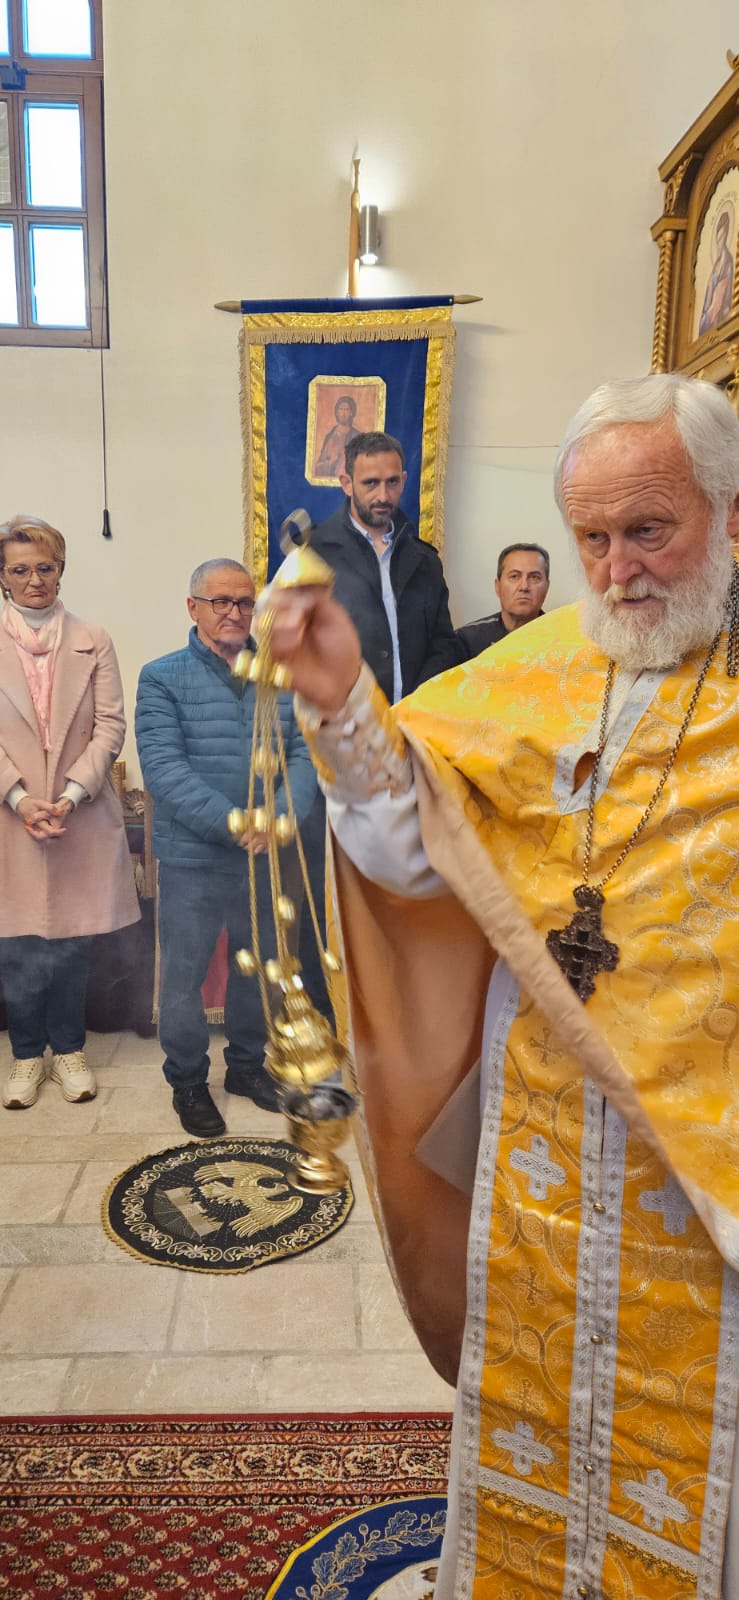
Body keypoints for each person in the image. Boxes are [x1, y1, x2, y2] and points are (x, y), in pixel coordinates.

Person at [263, 374, 739, 1600]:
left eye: (649, 529)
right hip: (539, 1127)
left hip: (702, 1159)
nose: (617, 570)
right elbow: (410, 850)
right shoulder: (536, 668)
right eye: (592, 537)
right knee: (536, 1401)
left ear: (729, 510)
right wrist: (341, 703)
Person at [135, 558, 317, 1140]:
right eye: (221, 602)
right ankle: (189, 1080)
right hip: (194, 857)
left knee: (258, 967)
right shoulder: (161, 677)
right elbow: (164, 770)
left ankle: (245, 1066)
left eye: (244, 602)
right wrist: (237, 823)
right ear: (193, 608)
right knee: (183, 976)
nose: (235, 612)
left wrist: (278, 819)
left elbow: (304, 757)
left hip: (265, 857)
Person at [0, 514, 139, 1109]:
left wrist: (70, 795)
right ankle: (27, 1057)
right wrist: (19, 798)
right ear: (2, 577)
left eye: (45, 567)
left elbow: (110, 725)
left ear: (61, 571)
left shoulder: (92, 639)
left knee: (72, 940)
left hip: (76, 811)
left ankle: (70, 1050)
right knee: (17, 941)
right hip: (10, 814)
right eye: (20, 570)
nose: (34, 579)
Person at [308, 430, 462, 703]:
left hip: (414, 718)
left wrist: (417, 702)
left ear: (404, 480)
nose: (383, 495)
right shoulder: (315, 555)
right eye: (371, 483)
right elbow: (299, 646)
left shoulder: (425, 560)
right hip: (343, 719)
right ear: (346, 483)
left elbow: (444, 645)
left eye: (392, 482)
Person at [456, 541, 550, 657]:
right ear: (498, 586)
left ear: (547, 587)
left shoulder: (565, 638)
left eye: (534, 577)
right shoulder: (466, 640)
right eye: (514, 576)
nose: (524, 587)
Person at [698, 209, 734, 336]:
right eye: (717, 239)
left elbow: (727, 306)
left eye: (722, 238)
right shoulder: (713, 271)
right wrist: (711, 310)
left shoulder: (729, 265)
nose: (719, 244)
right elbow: (705, 314)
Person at [314, 393, 359, 479]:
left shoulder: (357, 436)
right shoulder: (330, 437)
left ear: (351, 413)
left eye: (347, 410)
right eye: (341, 409)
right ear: (337, 412)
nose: (343, 413)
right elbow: (319, 467)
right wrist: (330, 462)